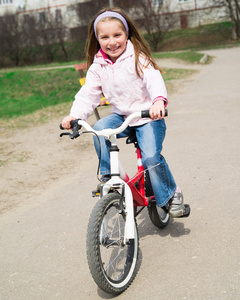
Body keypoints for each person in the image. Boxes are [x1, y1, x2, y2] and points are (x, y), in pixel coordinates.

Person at [61, 7, 185, 217]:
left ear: (126, 35)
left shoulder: (138, 57)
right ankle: (111, 178)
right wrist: (75, 116)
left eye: (117, 35)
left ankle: (171, 195)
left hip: (147, 116)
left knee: (150, 158)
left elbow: (153, 79)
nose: (112, 42)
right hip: (122, 116)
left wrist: (157, 102)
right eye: (105, 37)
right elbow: (88, 94)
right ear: (97, 39)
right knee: (99, 128)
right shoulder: (98, 66)